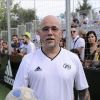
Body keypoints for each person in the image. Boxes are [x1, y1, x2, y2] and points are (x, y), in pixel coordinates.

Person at [13, 15, 90, 100]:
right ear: (39, 34)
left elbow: (83, 91)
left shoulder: (73, 58)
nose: (50, 32)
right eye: (45, 29)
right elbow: (17, 94)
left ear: (61, 33)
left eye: (54, 29)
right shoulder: (27, 60)